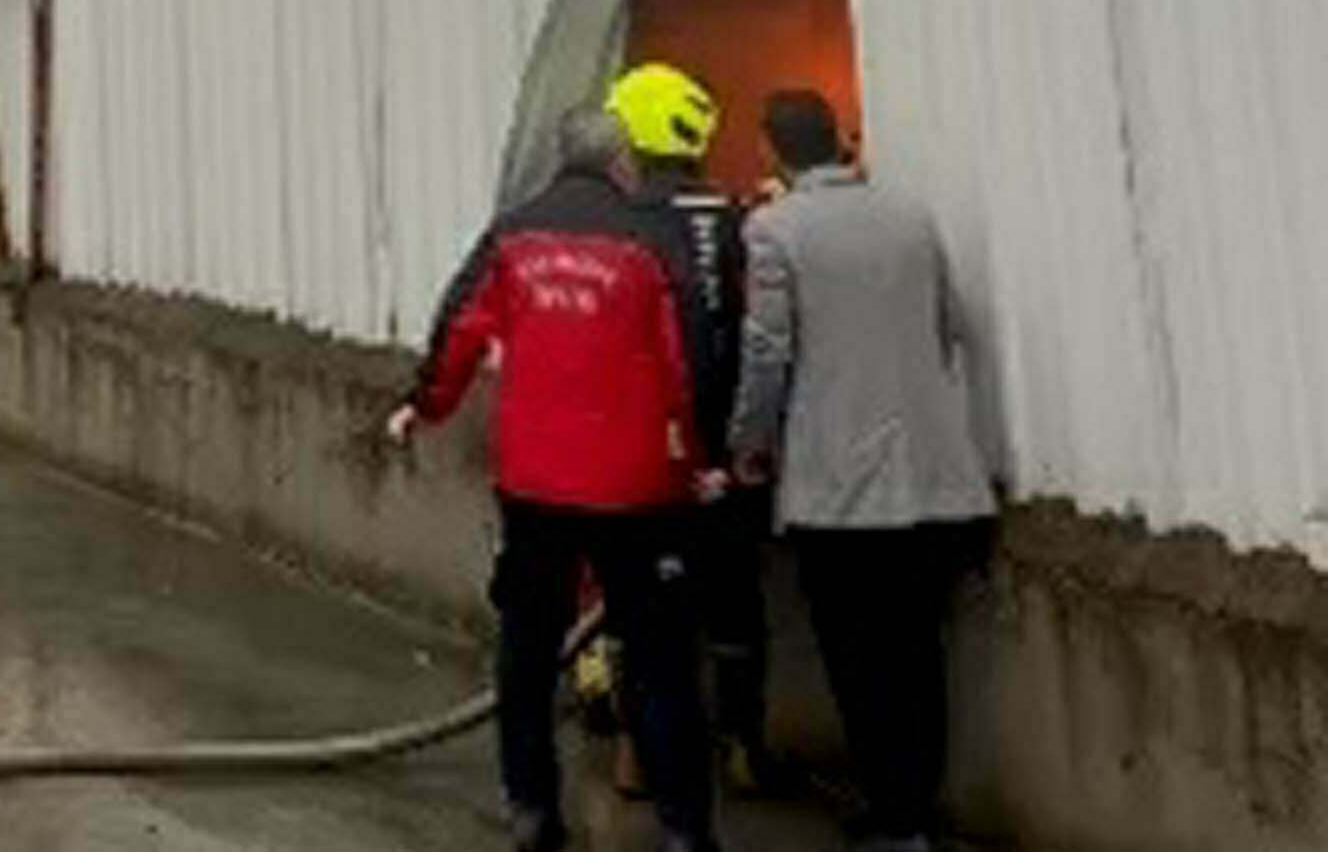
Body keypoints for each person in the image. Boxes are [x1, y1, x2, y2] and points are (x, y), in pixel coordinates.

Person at [391, 105, 721, 852]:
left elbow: (459, 331)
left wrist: (423, 406)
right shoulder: (653, 239)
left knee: (528, 653)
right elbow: (688, 359)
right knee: (661, 660)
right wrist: (703, 460)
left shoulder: (512, 234)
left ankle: (533, 811)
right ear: (623, 163)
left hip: (535, 485)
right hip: (638, 490)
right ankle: (684, 831)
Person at [732, 88, 997, 852]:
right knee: (918, 648)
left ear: (772, 150)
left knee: (856, 652)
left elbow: (767, 351)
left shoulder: (773, 230)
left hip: (838, 484)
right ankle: (918, 801)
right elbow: (953, 325)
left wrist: (749, 444)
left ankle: (889, 811)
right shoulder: (911, 217)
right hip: (936, 474)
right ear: (842, 141)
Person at [606, 61, 774, 789]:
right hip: (732, 453)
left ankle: (640, 752)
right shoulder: (738, 221)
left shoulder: (616, 229)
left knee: (638, 606)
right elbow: (760, 330)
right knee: (735, 602)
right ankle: (742, 746)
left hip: (642, 456)